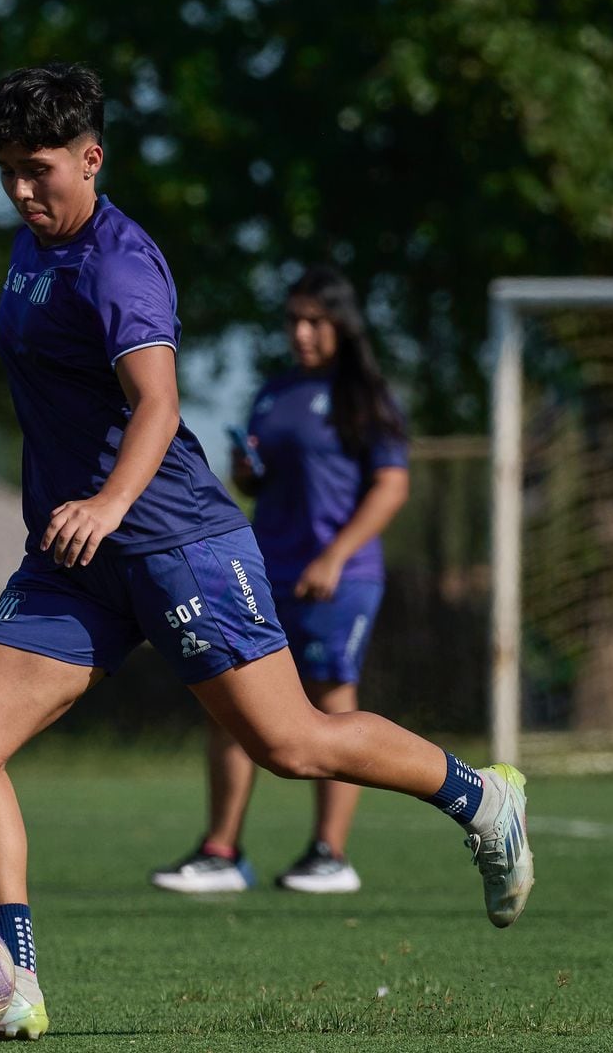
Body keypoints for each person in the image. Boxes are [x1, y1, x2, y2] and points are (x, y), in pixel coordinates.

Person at [0, 63, 533, 1042]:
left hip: (173, 540)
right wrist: (83, 514)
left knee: (289, 743)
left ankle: (481, 796)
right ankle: (15, 981)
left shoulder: (119, 262)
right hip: (76, 559)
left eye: (37, 169)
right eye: (4, 170)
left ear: (91, 158)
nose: (19, 190)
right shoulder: (29, 245)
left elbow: (159, 405)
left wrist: (108, 499)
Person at [151, 265, 410, 896]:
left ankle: (329, 853)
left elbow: (391, 485)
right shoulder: (274, 394)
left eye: (315, 321)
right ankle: (221, 851)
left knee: (329, 701)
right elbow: (258, 485)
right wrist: (248, 473)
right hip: (265, 571)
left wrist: (336, 556)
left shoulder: (366, 398)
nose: (301, 332)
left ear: (342, 326)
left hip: (338, 579)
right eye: (294, 319)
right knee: (235, 702)